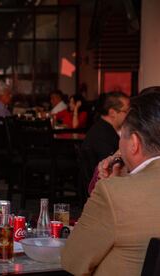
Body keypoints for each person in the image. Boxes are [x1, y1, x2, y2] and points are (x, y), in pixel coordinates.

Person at [61, 92, 160, 275]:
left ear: (134, 143)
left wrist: (112, 187)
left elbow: (72, 260)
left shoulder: (114, 193)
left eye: (121, 135)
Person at [80, 91, 130, 185]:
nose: (129, 115)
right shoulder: (102, 134)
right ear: (112, 113)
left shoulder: (103, 128)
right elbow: (110, 168)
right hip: (101, 187)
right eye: (126, 111)